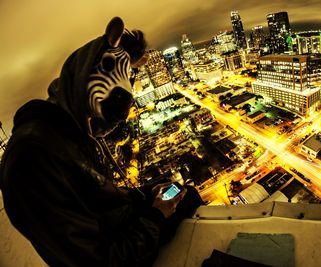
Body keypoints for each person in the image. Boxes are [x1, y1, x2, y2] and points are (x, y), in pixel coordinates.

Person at [0, 17, 203, 267]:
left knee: (167, 186)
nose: (107, 129)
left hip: (119, 225)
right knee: (189, 196)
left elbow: (98, 195)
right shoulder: (33, 159)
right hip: (122, 246)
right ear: (85, 77)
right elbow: (98, 259)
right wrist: (156, 216)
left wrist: (143, 196)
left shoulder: (65, 133)